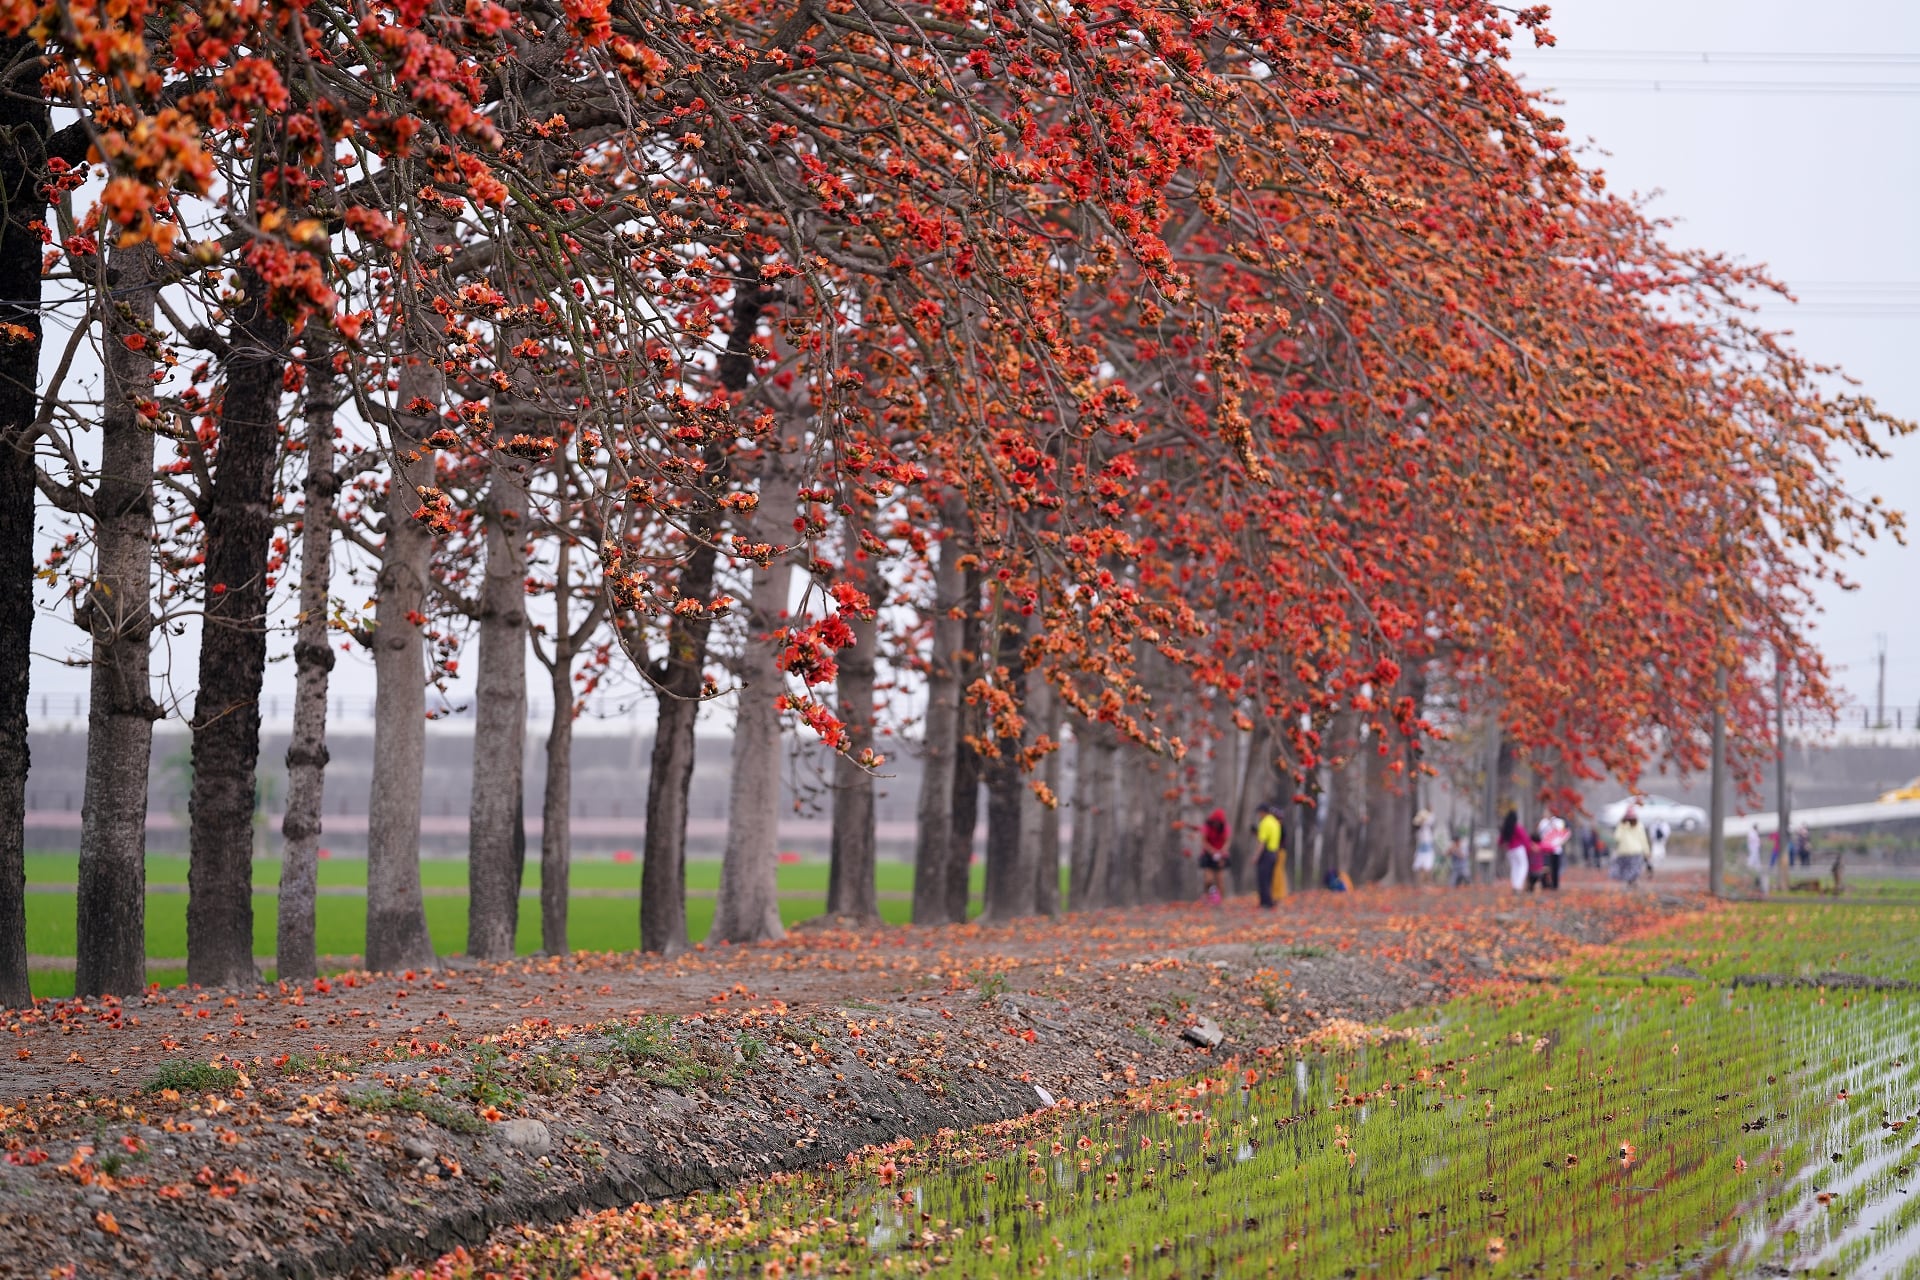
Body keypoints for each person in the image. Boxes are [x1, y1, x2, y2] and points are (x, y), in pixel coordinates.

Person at [1253, 802, 1285, 909]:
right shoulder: (1275, 822)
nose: (1259, 815)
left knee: (1263, 879)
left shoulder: (1265, 823)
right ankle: (1269, 900)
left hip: (1266, 853)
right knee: (1270, 878)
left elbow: (1262, 842)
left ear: (1263, 812)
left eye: (1259, 813)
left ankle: (1265, 902)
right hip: (1274, 853)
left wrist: (1256, 856)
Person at [1198, 807, 1230, 905]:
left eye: (1218, 822)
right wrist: (1212, 851)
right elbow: (1203, 841)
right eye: (1215, 821)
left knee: (1220, 879)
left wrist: (1222, 851)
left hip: (1221, 854)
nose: (1216, 824)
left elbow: (1227, 841)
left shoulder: (1225, 828)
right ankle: (1207, 896)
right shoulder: (1206, 826)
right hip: (1208, 854)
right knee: (1209, 879)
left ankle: (1221, 901)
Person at [1611, 810, 1650, 886]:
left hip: (1623, 851)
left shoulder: (1621, 825)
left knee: (1626, 869)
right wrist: (1647, 852)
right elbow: (1643, 840)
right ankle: (1632, 881)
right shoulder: (1639, 826)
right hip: (1636, 851)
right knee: (1634, 868)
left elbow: (1616, 838)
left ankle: (1629, 882)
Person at [1500, 808, 1529, 893]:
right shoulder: (1517, 827)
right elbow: (1525, 838)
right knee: (1523, 866)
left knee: (1514, 868)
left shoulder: (1505, 828)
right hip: (1518, 849)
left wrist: (1504, 845)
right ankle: (1518, 885)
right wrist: (1529, 848)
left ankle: (1515, 885)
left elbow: (1500, 841)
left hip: (1510, 851)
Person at [1413, 808, 1437, 879]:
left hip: (1426, 849)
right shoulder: (1420, 830)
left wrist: (1431, 812)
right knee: (1423, 866)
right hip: (1423, 849)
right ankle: (1423, 880)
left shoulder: (1426, 828)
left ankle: (1427, 880)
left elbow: (1431, 819)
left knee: (1427, 866)